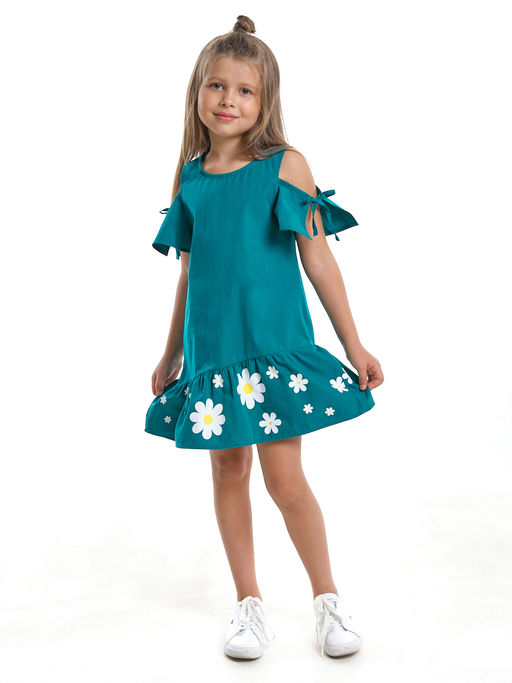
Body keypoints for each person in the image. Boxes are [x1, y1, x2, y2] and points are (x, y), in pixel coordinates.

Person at [144, 15, 384, 660]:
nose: (228, 100)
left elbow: (318, 258)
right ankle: (248, 604)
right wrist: (171, 352)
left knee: (285, 480)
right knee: (228, 469)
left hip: (273, 350)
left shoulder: (285, 166)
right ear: (198, 91)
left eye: (244, 90)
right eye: (217, 86)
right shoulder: (190, 178)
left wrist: (354, 346)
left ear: (265, 100)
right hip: (213, 353)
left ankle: (327, 598)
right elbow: (189, 273)